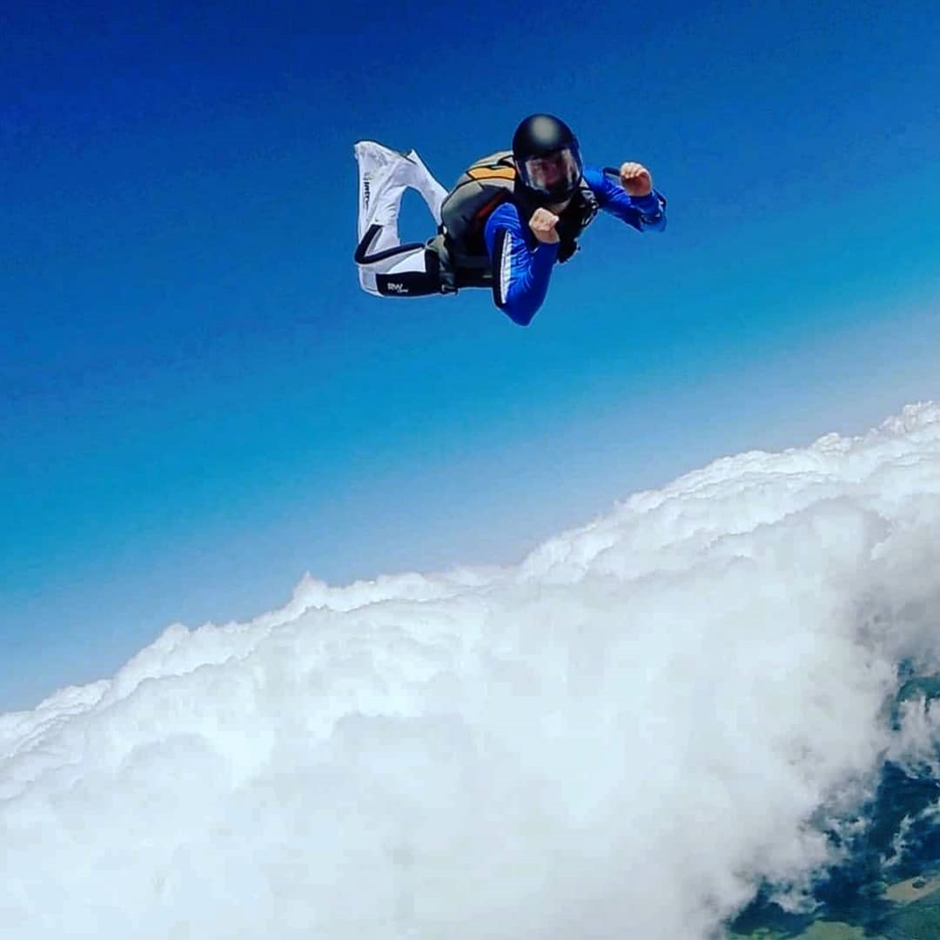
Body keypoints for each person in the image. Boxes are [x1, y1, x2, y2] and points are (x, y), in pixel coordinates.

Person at [354, 114, 666, 326]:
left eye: (562, 163)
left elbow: (653, 223)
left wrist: (644, 197)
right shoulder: (507, 219)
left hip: (485, 242)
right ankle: (381, 173)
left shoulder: (590, 183)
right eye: (540, 171)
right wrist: (546, 247)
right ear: (523, 175)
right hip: (457, 259)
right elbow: (518, 310)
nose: (556, 179)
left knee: (456, 225)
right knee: (371, 279)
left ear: (576, 157)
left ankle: (413, 172)